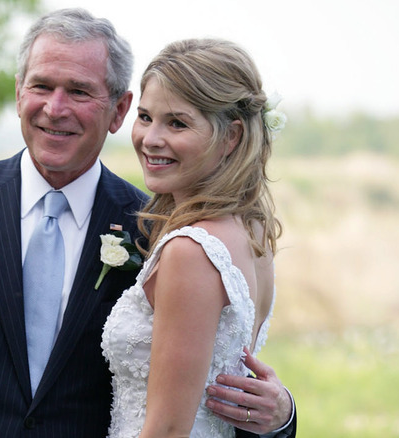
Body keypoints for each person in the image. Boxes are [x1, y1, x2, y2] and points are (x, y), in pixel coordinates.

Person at [0, 8, 295, 437]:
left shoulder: (157, 230)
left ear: (118, 109)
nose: (55, 108)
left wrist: (281, 418)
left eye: (78, 91)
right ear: (18, 93)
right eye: (41, 86)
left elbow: (203, 395)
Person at [102, 38, 293, 437]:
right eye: (145, 117)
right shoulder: (252, 230)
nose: (150, 138)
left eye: (177, 123)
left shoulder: (192, 250)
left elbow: (168, 430)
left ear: (231, 137)